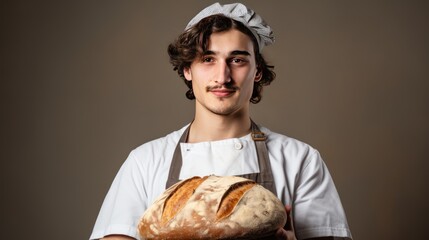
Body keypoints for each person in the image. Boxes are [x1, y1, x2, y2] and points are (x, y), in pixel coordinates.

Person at [90, 2, 352, 240]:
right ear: (187, 69)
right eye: (208, 59)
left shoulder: (299, 160)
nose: (222, 76)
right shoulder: (145, 162)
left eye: (237, 60)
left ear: (257, 71)